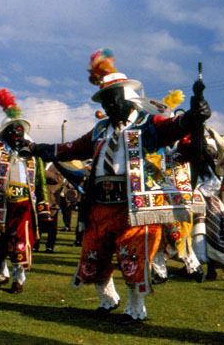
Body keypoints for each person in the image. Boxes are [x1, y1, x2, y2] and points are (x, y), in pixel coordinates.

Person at [30, 49, 211, 323]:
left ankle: (135, 308)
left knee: (133, 257)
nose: (110, 106)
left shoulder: (147, 125)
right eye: (106, 101)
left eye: (113, 100)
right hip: (99, 204)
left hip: (133, 206)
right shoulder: (101, 129)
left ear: (128, 100)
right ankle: (107, 299)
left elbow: (173, 128)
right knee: (94, 254)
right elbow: (73, 148)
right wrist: (40, 148)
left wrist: (192, 118)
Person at [0, 88, 50, 294]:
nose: (15, 134)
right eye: (11, 131)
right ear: (5, 134)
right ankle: (0, 275)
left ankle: (18, 280)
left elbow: (40, 183)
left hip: (22, 204)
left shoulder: (32, 155)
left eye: (19, 130)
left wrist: (43, 208)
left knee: (18, 242)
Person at [34, 163, 64, 253]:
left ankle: (49, 247)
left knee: (52, 226)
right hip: (39, 200)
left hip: (52, 201)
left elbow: (59, 179)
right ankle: (35, 245)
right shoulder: (39, 163)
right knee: (37, 224)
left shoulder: (58, 165)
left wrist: (44, 172)